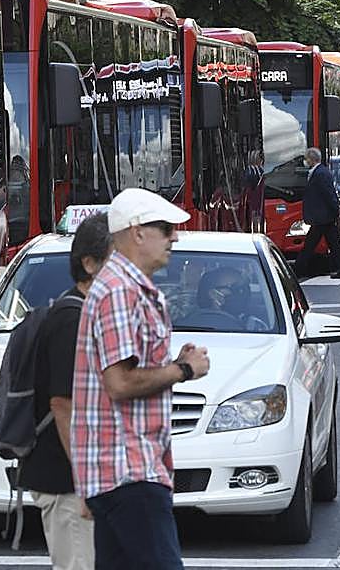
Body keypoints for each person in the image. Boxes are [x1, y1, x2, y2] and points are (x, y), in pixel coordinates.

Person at [71, 188, 211, 570]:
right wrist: (183, 370)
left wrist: (170, 365)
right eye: (165, 229)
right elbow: (120, 383)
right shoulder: (120, 292)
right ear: (136, 232)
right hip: (129, 470)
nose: (175, 237)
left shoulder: (125, 289)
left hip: (124, 469)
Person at [18, 212, 112, 570]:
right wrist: (86, 479)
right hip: (65, 480)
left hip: (77, 477)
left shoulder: (89, 313)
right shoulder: (71, 321)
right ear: (89, 264)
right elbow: (63, 404)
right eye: (116, 261)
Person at [294, 147, 340, 279]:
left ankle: (297, 271)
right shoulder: (319, 172)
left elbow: (328, 194)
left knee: (309, 247)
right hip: (324, 217)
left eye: (307, 158)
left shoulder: (321, 173)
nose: (305, 161)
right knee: (334, 245)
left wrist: (335, 210)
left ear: (312, 159)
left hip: (322, 217)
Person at [242, 150, 265, 233]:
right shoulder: (250, 171)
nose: (260, 159)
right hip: (253, 197)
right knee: (254, 216)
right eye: (259, 157)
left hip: (259, 198)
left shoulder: (261, 170)